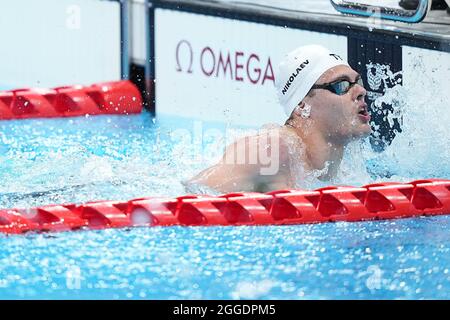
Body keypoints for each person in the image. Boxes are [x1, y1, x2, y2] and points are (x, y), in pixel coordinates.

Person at [185, 45, 371, 193]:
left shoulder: (346, 170)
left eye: (358, 82)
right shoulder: (273, 150)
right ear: (301, 105)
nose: (361, 91)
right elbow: (192, 193)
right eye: (341, 85)